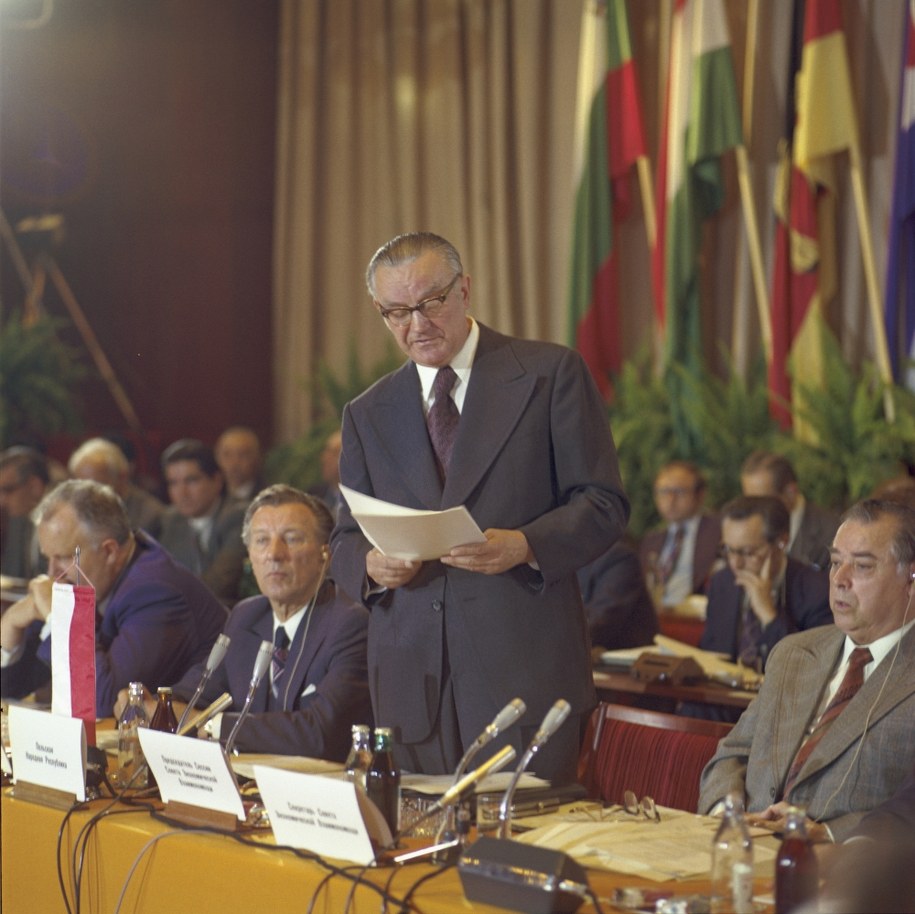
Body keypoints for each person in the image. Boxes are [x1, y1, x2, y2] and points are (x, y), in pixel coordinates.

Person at [330, 231, 629, 785]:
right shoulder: (367, 412)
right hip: (411, 679)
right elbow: (345, 536)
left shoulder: (548, 374)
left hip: (521, 672)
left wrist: (525, 545)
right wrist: (370, 566)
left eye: (430, 303)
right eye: (396, 312)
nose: (416, 325)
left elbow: (603, 504)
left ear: (465, 289)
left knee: (517, 853)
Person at [698, 499, 915, 842]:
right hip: (742, 845)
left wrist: (826, 833)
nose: (839, 580)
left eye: (861, 566)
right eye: (835, 562)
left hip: (843, 870)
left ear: (911, 579)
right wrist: (728, 812)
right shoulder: (794, 653)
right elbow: (731, 755)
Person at [117, 486, 372, 760]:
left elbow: (320, 733)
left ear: (327, 553)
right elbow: (194, 694)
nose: (274, 554)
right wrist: (148, 704)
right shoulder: (247, 616)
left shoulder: (349, 622)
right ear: (249, 554)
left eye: (292, 539)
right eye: (262, 541)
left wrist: (212, 724)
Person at [0, 480, 227, 715]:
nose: (51, 573)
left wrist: (58, 618)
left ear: (109, 551)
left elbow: (102, 702)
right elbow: (12, 687)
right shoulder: (83, 579)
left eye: (64, 557)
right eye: (47, 557)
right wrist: (10, 623)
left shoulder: (155, 591)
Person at [700, 495, 832, 670]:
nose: (735, 563)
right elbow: (710, 654)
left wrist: (769, 614)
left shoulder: (817, 591)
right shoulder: (722, 583)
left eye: (747, 552)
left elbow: (810, 669)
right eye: (728, 550)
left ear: (782, 543)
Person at [158, 438, 248, 604]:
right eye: (173, 483)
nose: (182, 492)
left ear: (217, 481)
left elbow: (219, 584)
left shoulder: (238, 516)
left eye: (191, 480)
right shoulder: (170, 519)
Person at [638, 461, 721, 609]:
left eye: (679, 491)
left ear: (700, 495)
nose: (670, 500)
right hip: (656, 616)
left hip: (695, 618)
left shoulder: (718, 531)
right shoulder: (651, 541)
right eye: (663, 492)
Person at [740, 451, 839, 569]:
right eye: (749, 501)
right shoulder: (743, 535)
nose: (753, 509)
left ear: (790, 492)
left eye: (761, 502)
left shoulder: (831, 533)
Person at [68, 437, 165, 537]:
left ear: (122, 477)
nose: (86, 493)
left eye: (94, 485)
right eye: (80, 486)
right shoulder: (73, 512)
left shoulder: (149, 516)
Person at [578, 541, 659, 652]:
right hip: (586, 661)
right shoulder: (560, 562)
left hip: (625, 664)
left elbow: (601, 622)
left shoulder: (618, 557)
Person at [0, 446, 51, 580]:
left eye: (8, 490)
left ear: (35, 487)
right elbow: (11, 576)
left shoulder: (60, 524)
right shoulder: (20, 518)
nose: (2, 501)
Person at [214, 426, 265, 502]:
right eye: (227, 454)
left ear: (257, 457)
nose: (234, 462)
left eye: (243, 454)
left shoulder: (266, 497)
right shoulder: (212, 496)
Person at [308, 428, 343, 512]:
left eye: (334, 452)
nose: (325, 458)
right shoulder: (313, 496)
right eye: (326, 452)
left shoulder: (366, 498)